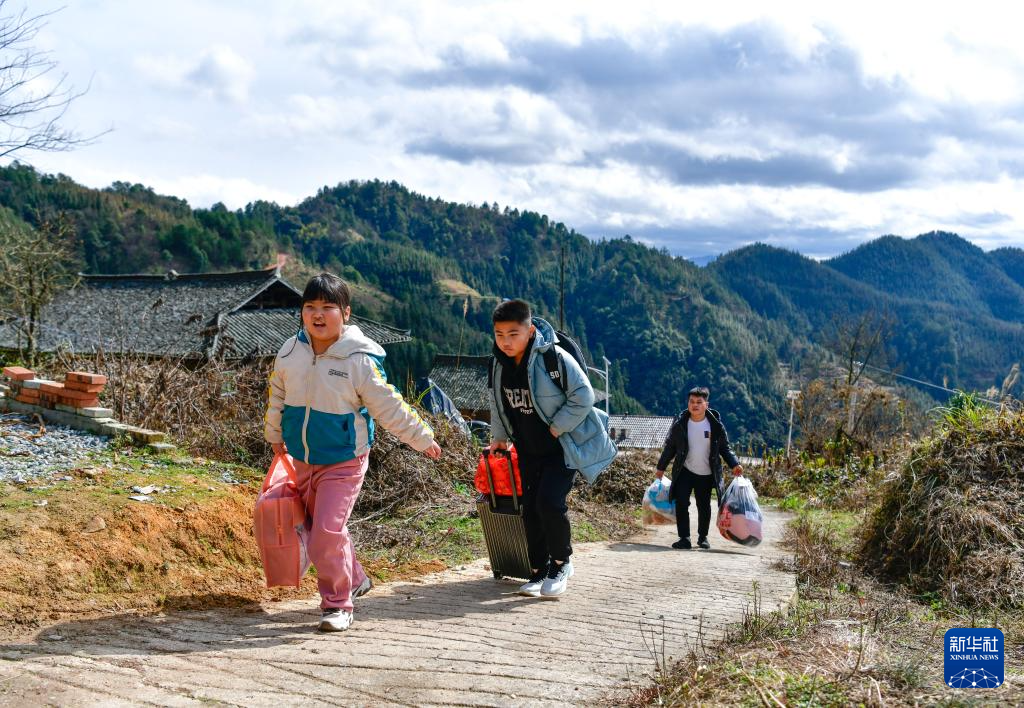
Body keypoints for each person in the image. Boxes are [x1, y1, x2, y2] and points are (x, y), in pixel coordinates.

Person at [265, 273, 441, 632]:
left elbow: (389, 405)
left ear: (345, 313)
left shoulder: (358, 359)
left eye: (327, 307)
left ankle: (337, 604)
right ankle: (356, 578)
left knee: (325, 533)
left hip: (346, 459)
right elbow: (277, 396)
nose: (317, 315)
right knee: (321, 529)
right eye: (310, 307)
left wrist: (422, 438)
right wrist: (274, 434)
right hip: (303, 459)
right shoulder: (290, 352)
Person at [488, 299, 616, 598]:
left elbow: (584, 395)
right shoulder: (497, 363)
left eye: (513, 334)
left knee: (549, 503)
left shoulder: (552, 357)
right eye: (499, 334)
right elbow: (496, 401)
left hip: (562, 448)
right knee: (530, 508)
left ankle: (561, 564)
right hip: (527, 449)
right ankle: (538, 571)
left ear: (530, 331)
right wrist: (499, 436)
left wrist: (558, 425)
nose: (506, 342)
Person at [655, 386, 742, 549]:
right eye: (692, 401)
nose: (695, 405)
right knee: (681, 503)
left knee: (704, 505)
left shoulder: (715, 425)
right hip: (684, 470)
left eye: (699, 402)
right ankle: (684, 538)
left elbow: (725, 448)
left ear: (706, 405)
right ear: (688, 403)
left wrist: (734, 463)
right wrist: (661, 468)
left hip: (707, 473)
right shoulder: (680, 424)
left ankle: (703, 537)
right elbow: (670, 447)